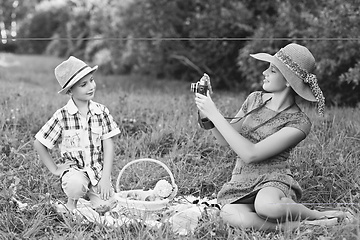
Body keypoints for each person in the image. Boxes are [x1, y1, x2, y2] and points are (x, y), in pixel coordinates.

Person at [194, 43, 352, 230]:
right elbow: (225, 139)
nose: (264, 73)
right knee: (230, 215)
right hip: (240, 181)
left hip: (273, 181)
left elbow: (251, 154)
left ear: (288, 80)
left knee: (266, 207)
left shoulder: (299, 122)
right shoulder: (254, 99)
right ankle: (295, 227)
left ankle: (317, 215)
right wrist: (205, 112)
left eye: (273, 70)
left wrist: (215, 114)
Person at [34, 56, 120, 211]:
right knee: (75, 185)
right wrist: (55, 169)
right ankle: (71, 202)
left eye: (92, 80)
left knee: (108, 206)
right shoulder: (62, 116)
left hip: (97, 172)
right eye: (83, 84)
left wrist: (105, 178)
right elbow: (39, 142)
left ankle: (92, 194)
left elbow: (108, 144)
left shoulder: (101, 112)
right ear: (70, 91)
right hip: (75, 171)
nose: (91, 87)